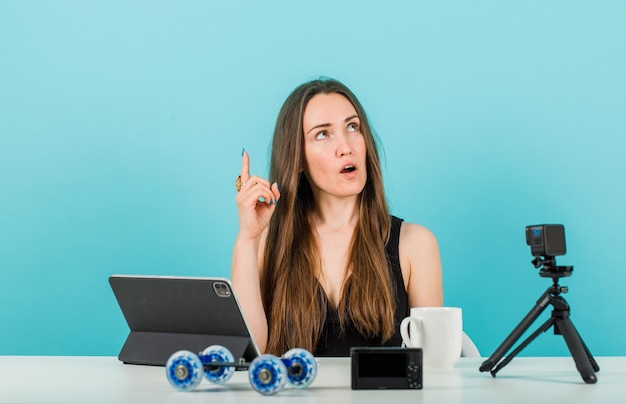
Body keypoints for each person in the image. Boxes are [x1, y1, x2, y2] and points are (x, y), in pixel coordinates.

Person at [231, 78, 443, 356]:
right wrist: (248, 239)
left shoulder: (415, 244)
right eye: (323, 134)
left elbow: (434, 368)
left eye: (352, 127)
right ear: (297, 158)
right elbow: (249, 355)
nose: (346, 147)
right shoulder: (264, 242)